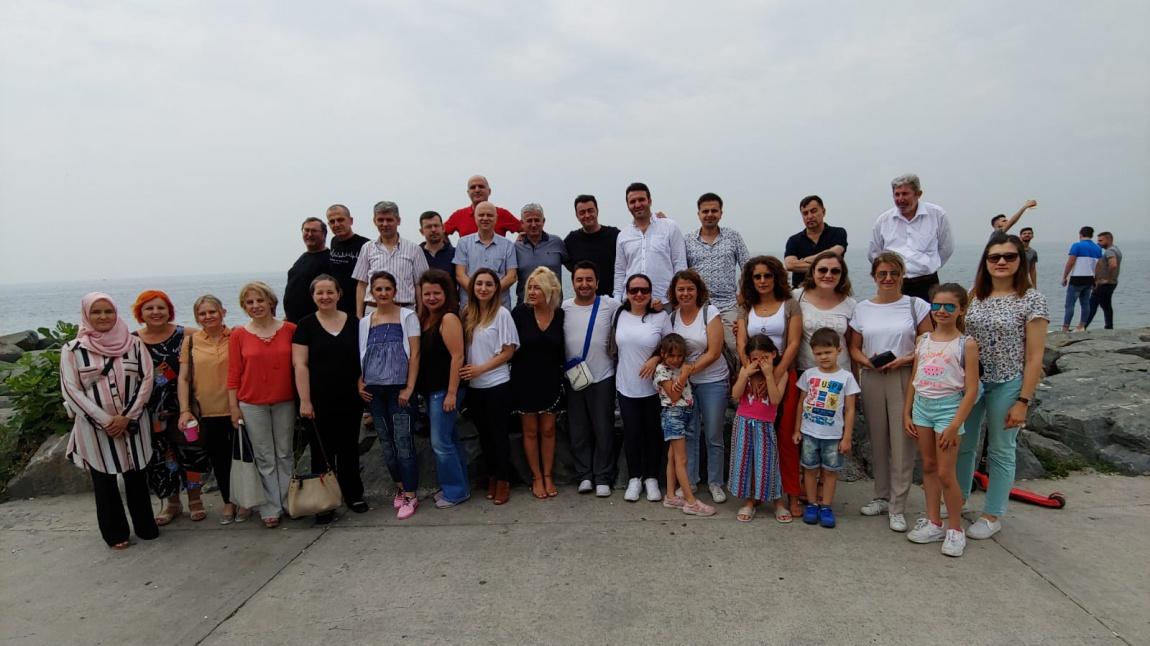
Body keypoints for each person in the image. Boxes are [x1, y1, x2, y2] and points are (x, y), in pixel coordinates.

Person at [957, 233, 1049, 540]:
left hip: (1008, 382)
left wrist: (1023, 399)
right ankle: (956, 500)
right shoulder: (974, 296)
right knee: (963, 445)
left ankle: (992, 513)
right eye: (994, 256)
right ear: (985, 261)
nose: (1001, 262)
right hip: (971, 382)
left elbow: (1035, 355)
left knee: (1000, 449)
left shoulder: (1032, 299)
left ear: (1020, 261)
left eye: (1009, 256)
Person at [61, 293, 158, 549]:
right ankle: (115, 533)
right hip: (95, 428)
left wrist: (127, 417)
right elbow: (71, 390)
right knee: (104, 482)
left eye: (108, 312)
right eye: (96, 312)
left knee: (136, 476)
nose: (103, 317)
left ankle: (146, 526)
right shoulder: (73, 350)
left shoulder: (134, 344)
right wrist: (106, 420)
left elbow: (147, 379)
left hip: (132, 424)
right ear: (86, 315)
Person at [847, 253, 932, 533]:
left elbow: (928, 343)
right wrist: (865, 362)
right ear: (874, 276)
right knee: (879, 440)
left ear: (902, 275)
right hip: (873, 376)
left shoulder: (915, 306)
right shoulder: (863, 308)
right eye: (882, 273)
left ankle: (898, 505)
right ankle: (881, 496)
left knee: (902, 442)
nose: (888, 278)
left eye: (894, 273)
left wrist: (905, 360)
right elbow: (854, 346)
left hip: (904, 377)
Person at [903, 284, 981, 558]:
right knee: (929, 466)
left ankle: (955, 529)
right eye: (937, 306)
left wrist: (955, 423)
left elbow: (971, 388)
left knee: (947, 473)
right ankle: (934, 521)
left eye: (949, 306)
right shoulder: (923, 340)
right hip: (923, 407)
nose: (942, 311)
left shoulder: (965, 344)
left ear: (961, 309)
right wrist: (907, 411)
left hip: (948, 409)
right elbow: (915, 378)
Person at [292, 275, 369, 524]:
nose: (325, 297)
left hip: (350, 396)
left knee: (348, 448)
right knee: (321, 451)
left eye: (329, 292)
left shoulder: (355, 323)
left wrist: (362, 380)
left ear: (339, 294)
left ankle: (353, 494)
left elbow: (364, 358)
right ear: (313, 296)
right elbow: (300, 365)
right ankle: (323, 501)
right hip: (318, 398)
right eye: (319, 293)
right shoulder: (305, 325)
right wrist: (305, 400)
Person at [735, 256, 804, 520]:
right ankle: (753, 496)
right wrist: (753, 375)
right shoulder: (746, 307)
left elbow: (794, 343)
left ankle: (789, 495)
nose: (762, 281)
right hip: (752, 377)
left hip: (782, 374)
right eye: (757, 276)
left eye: (767, 275)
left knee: (784, 439)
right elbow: (742, 343)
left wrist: (773, 375)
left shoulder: (790, 305)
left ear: (776, 277)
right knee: (755, 441)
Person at [133, 290, 210, 524]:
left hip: (184, 407)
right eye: (149, 308)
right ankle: (172, 503)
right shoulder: (132, 339)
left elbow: (215, 336)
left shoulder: (185, 334)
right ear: (140, 313)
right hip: (151, 410)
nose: (156, 312)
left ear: (169, 311)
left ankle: (196, 500)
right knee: (161, 458)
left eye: (161, 308)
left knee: (193, 454)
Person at [227, 281, 297, 529]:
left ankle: (290, 501)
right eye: (249, 302)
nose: (255, 306)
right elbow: (234, 374)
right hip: (251, 403)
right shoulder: (238, 334)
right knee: (264, 457)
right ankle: (270, 506)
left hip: (285, 401)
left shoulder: (290, 330)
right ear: (244, 307)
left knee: (285, 453)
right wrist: (234, 408)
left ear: (270, 302)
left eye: (259, 300)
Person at [357, 271, 421, 519]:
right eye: (378, 289)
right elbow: (362, 355)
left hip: (399, 390)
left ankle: (411, 495)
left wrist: (409, 388)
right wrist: (360, 382)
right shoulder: (365, 321)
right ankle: (400, 487)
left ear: (395, 291)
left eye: (387, 289)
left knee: (404, 443)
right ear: (372, 292)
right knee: (386, 444)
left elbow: (414, 354)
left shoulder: (408, 316)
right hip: (374, 392)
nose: (383, 293)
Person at [177, 295, 241, 525]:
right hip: (207, 411)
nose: (208, 317)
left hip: (238, 408)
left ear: (223, 312)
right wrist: (185, 410)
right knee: (220, 460)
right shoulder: (192, 341)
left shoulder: (236, 335)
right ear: (197, 317)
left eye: (212, 312)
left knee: (243, 458)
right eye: (202, 314)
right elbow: (184, 378)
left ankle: (245, 500)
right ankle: (228, 501)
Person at [563, 261, 623, 498]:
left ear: (597, 282)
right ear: (573, 283)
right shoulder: (565, 307)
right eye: (579, 280)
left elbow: (636, 307)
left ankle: (603, 477)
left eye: (589, 279)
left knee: (603, 429)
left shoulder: (610, 305)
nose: (584, 284)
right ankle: (585, 475)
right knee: (578, 430)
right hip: (574, 379)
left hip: (602, 376)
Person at [669, 269, 730, 503]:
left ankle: (715, 483)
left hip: (712, 380)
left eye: (690, 288)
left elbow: (714, 351)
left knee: (714, 433)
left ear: (698, 291)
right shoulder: (673, 317)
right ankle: (690, 480)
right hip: (686, 384)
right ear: (675, 292)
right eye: (681, 289)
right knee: (689, 433)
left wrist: (688, 371)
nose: (685, 293)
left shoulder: (709, 312)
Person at [610, 273, 671, 502]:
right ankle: (635, 477)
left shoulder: (661, 317)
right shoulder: (619, 313)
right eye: (634, 290)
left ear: (651, 292)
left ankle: (652, 478)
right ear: (626, 292)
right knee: (632, 433)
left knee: (653, 433)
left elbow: (670, 346)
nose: (639, 294)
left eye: (644, 290)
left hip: (654, 388)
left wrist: (655, 358)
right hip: (626, 386)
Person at [461, 268, 520, 505]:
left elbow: (509, 351)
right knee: (484, 437)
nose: (483, 288)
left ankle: (504, 481)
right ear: (473, 287)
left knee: (499, 436)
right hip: (474, 388)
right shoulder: (467, 314)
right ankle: (493, 477)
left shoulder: (502, 314)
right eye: (479, 284)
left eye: (489, 284)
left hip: (496, 385)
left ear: (496, 288)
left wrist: (480, 369)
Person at [793, 328, 860, 529]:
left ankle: (826, 506)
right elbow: (800, 403)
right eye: (819, 353)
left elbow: (849, 410)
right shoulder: (809, 374)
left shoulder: (846, 377)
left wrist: (847, 436)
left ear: (838, 350)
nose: (823, 357)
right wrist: (797, 430)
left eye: (827, 352)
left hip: (833, 435)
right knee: (809, 469)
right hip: (810, 433)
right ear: (813, 353)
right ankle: (812, 504)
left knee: (830, 472)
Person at [416, 269, 470, 508]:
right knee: (449, 439)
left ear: (445, 293)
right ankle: (458, 485)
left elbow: (457, 357)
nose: (431, 298)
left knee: (440, 443)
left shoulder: (448, 318)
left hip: (445, 391)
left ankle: (455, 492)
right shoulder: (424, 318)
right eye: (426, 293)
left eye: (436, 293)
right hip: (430, 390)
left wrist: (451, 392)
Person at [511, 267, 566, 499]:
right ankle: (536, 476)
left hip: (552, 379)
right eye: (530, 287)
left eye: (537, 288)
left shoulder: (561, 314)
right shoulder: (519, 313)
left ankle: (548, 475)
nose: (532, 292)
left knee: (549, 430)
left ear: (550, 291)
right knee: (530, 431)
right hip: (525, 379)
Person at [654, 334, 716, 517]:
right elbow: (673, 396)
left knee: (673, 456)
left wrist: (684, 371)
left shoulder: (681, 367)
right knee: (682, 460)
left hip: (685, 413)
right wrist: (683, 375)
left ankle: (671, 495)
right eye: (671, 356)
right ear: (663, 354)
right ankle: (690, 502)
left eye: (680, 356)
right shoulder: (661, 371)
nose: (676, 360)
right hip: (673, 414)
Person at [728, 335, 787, 523]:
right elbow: (735, 395)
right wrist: (745, 374)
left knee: (768, 463)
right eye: (755, 359)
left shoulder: (780, 373)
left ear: (773, 354)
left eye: (764, 358)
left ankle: (778, 502)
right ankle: (750, 500)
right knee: (746, 463)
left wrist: (769, 375)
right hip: (744, 422)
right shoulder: (746, 372)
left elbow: (776, 399)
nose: (760, 363)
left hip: (765, 424)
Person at [867, 174, 954, 301]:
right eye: (897, 194)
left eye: (905, 194)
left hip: (927, 283)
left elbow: (946, 248)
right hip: (894, 283)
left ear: (918, 194)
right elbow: (874, 254)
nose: (900, 199)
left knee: (929, 319)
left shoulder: (937, 214)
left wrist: (928, 264)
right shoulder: (884, 220)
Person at [684, 192, 750, 358]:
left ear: (721, 213)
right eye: (705, 211)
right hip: (699, 306)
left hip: (728, 305)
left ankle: (737, 382)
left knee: (735, 348)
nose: (709, 215)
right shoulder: (688, 240)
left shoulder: (733, 237)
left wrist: (744, 295)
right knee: (698, 348)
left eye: (714, 210)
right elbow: (682, 273)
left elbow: (748, 267)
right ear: (698, 214)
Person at [613, 182, 687, 304]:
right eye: (632, 201)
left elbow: (679, 263)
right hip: (632, 302)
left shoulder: (669, 227)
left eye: (641, 200)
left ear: (650, 201)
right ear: (628, 205)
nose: (637, 204)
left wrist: (679, 296)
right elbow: (620, 270)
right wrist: (617, 299)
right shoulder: (623, 235)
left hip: (665, 301)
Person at [352, 201, 429, 315]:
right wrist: (359, 314)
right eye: (380, 220)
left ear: (398, 221)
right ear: (374, 221)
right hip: (373, 310)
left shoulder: (414, 249)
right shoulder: (367, 248)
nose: (385, 224)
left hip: (405, 310)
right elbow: (362, 283)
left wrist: (420, 313)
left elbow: (420, 284)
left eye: (389, 220)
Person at [794, 251, 856, 373]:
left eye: (835, 271)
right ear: (813, 272)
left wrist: (855, 380)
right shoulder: (797, 297)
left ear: (842, 274)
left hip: (840, 373)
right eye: (822, 270)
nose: (828, 275)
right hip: (805, 372)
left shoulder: (850, 305)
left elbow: (852, 346)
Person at [454, 201, 518, 309]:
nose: (485, 218)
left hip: (498, 306)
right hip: (470, 306)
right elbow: (460, 275)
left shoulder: (508, 245)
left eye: (489, 215)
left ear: (496, 218)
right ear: (475, 217)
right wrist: (479, 293)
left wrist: (489, 292)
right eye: (481, 215)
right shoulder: (463, 243)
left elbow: (511, 276)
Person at [784, 195, 848, 288]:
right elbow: (790, 265)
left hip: (834, 290)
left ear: (823, 211)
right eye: (805, 213)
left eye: (813, 211)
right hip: (802, 292)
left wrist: (805, 260)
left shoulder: (838, 233)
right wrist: (825, 265)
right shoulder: (794, 240)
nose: (809, 216)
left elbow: (835, 252)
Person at [564, 195, 620, 297]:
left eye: (590, 210)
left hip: (613, 300)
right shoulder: (571, 240)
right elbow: (564, 261)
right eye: (582, 212)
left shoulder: (615, 235)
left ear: (597, 211)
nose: (587, 215)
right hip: (585, 301)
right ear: (577, 215)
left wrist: (655, 220)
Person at [514, 204, 568, 305]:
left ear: (543, 221)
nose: (534, 224)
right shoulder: (516, 248)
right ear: (522, 223)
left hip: (553, 308)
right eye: (529, 220)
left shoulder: (557, 242)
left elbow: (572, 267)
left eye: (537, 220)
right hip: (525, 308)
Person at [325, 205, 370, 316]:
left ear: (350, 221)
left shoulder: (366, 245)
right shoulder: (334, 241)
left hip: (359, 308)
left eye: (340, 220)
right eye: (332, 221)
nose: (336, 224)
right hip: (338, 308)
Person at [443, 174, 522, 238]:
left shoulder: (502, 214)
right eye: (473, 187)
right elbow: (440, 233)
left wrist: (520, 244)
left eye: (481, 186)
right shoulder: (458, 216)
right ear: (468, 192)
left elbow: (525, 229)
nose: (477, 190)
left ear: (489, 191)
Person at [284, 217, 331, 323]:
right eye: (306, 230)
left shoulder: (330, 259)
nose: (309, 234)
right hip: (293, 321)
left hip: (315, 322)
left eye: (314, 231)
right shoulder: (302, 258)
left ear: (324, 234)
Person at [1060, 226, 1102, 332]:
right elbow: (1099, 265)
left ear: (1080, 234)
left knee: (1070, 304)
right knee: (1085, 303)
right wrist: (1096, 279)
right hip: (1090, 278)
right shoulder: (1097, 248)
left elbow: (1070, 262)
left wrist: (1064, 276)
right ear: (1091, 235)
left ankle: (1065, 327)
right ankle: (1081, 326)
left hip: (1077, 278)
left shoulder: (1076, 246)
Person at [1087, 231, 1122, 330]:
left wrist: (1107, 279)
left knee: (1092, 305)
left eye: (1101, 240)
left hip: (1105, 284)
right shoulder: (1116, 249)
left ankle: (1083, 326)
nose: (1098, 243)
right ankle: (1109, 326)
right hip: (1110, 283)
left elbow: (1113, 265)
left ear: (1109, 239)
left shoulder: (1110, 251)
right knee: (1106, 305)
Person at [419, 211, 457, 288]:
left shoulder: (455, 253)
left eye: (436, 225)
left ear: (443, 228)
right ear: (422, 231)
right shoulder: (416, 254)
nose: (433, 229)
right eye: (428, 227)